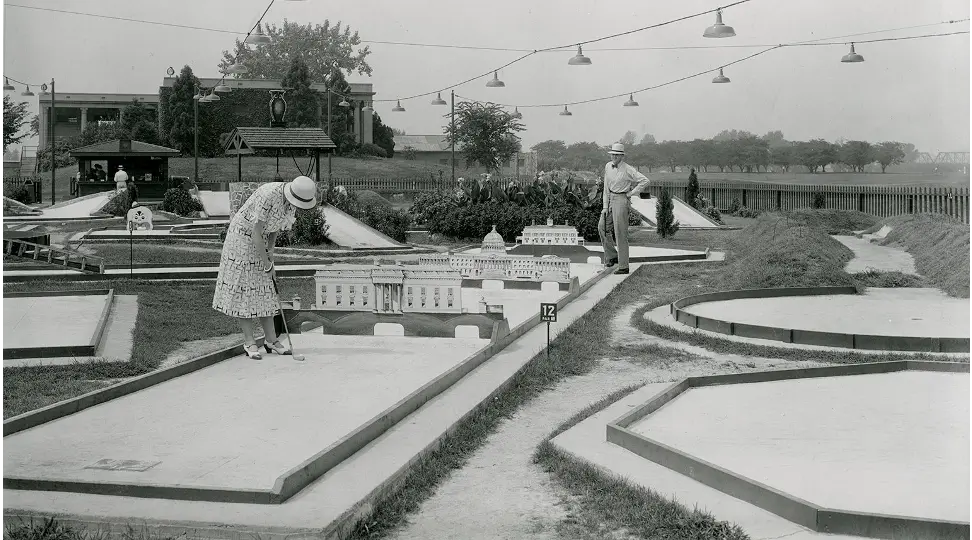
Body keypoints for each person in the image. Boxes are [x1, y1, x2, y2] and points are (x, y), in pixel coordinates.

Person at [212, 176, 318, 359]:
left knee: (265, 289)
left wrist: (270, 258)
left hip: (260, 240)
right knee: (244, 289)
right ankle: (249, 342)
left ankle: (271, 340)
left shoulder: (291, 201)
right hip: (242, 239)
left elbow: (273, 230)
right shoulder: (269, 195)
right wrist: (266, 263)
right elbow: (255, 233)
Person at [598, 143, 650, 275]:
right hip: (610, 199)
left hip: (621, 200)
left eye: (617, 154)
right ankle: (612, 256)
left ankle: (623, 266)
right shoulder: (608, 166)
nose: (614, 156)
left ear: (622, 156)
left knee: (620, 232)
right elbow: (605, 188)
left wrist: (631, 193)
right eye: (612, 154)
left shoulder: (628, 169)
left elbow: (644, 180)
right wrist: (605, 207)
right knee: (602, 227)